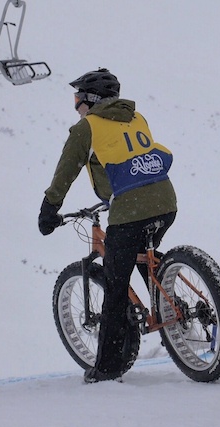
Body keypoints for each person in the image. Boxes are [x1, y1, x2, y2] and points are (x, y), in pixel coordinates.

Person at [38, 68, 177, 383]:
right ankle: (167, 304)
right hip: (166, 202)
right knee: (143, 254)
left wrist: (50, 209)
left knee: (115, 288)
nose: (75, 106)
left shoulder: (86, 127)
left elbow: (66, 171)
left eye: (77, 99)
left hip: (129, 211)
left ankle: (109, 367)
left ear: (90, 99)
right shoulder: (136, 117)